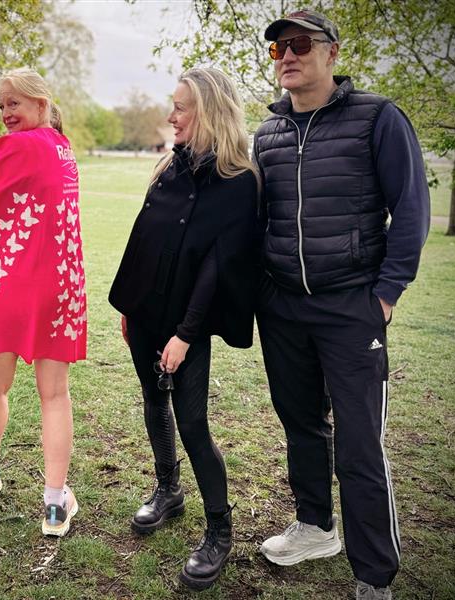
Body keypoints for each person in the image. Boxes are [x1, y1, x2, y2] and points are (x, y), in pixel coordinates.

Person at [253, 10, 430, 600]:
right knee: (301, 424)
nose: (287, 55)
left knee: (358, 442)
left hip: (352, 307)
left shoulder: (377, 118)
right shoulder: (268, 135)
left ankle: (373, 576)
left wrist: (385, 295)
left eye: (300, 44)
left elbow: (410, 210)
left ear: (332, 53)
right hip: (283, 310)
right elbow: (259, 221)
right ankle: (314, 527)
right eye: (278, 47)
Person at [109, 67, 259, 591]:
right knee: (154, 402)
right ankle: (168, 489)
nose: (171, 116)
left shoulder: (238, 182)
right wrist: (131, 307)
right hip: (147, 315)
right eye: (172, 105)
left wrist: (185, 334)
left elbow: (219, 267)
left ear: (211, 112)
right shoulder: (168, 169)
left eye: (182, 107)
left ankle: (220, 530)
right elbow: (144, 241)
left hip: (187, 326)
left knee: (192, 423)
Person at [0, 68, 86, 537]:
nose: (6, 113)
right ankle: (54, 504)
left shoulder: (16, 148)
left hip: (11, 287)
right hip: (60, 288)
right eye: (1, 105)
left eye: (14, 104)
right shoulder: (64, 149)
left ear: (41, 104)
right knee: (55, 394)